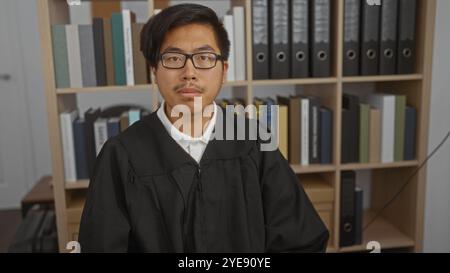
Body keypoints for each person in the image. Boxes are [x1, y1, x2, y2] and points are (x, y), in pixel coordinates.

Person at [78, 3, 329, 253]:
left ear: (223, 71)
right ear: (154, 70)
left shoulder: (254, 143)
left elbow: (302, 242)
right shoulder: (121, 155)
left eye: (204, 58)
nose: (189, 73)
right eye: (174, 58)